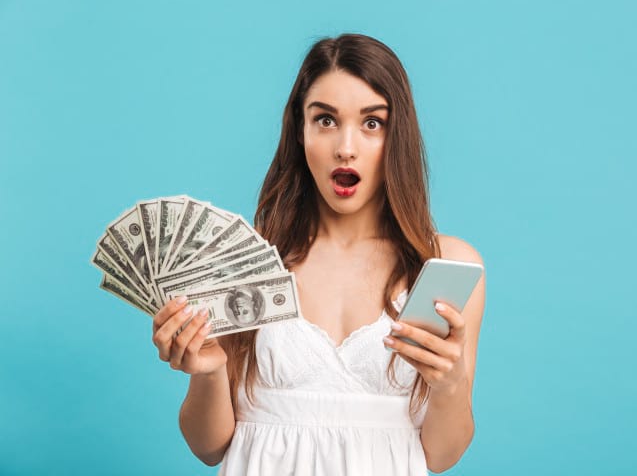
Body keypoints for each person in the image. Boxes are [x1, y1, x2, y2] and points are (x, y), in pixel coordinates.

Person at [150, 33, 486, 475]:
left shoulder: (446, 265)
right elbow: (210, 447)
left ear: (397, 136)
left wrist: (450, 384)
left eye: (372, 123)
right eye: (325, 120)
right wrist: (208, 372)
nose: (345, 146)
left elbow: (441, 457)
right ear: (300, 130)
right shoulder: (242, 257)